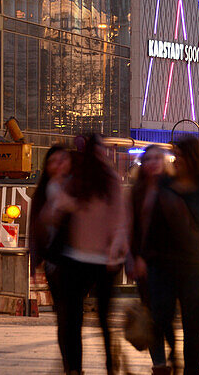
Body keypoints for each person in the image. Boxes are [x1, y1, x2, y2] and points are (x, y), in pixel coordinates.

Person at [52, 133, 128, 375]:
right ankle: (76, 369)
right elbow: (60, 205)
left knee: (101, 320)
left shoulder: (107, 179)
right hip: (82, 257)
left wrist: (115, 246)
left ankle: (107, 365)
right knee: (79, 319)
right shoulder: (80, 179)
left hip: (102, 259)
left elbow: (119, 218)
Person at [156, 136, 199, 375]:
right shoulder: (166, 183)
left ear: (191, 157)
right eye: (175, 156)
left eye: (180, 156)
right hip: (170, 261)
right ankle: (173, 355)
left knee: (193, 325)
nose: (176, 161)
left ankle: (192, 371)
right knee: (162, 315)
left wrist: (176, 198)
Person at [127, 145, 179, 375]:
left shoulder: (174, 189)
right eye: (148, 159)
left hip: (170, 262)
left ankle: (174, 352)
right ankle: (159, 364)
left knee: (166, 313)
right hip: (146, 263)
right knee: (152, 313)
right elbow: (132, 229)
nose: (153, 163)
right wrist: (135, 257)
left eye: (158, 158)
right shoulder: (137, 192)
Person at [29, 145, 74, 359]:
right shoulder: (44, 191)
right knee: (64, 314)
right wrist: (35, 260)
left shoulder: (76, 188)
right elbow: (35, 225)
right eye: (53, 161)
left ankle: (72, 363)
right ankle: (69, 363)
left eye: (62, 160)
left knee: (73, 314)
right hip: (55, 260)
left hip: (77, 257)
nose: (57, 165)